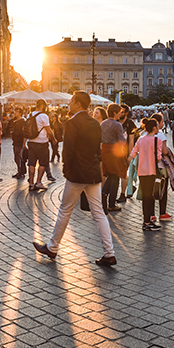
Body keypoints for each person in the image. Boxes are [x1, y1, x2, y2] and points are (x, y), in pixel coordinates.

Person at [33, 91, 116, 266]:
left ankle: (52, 247)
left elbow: (68, 150)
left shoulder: (72, 123)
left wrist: (66, 169)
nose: (69, 103)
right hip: (92, 172)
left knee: (65, 210)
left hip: (77, 173)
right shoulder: (94, 123)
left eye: (71, 101)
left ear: (78, 104)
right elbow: (97, 149)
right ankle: (109, 253)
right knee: (99, 213)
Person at [128, 118, 163, 231]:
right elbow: (158, 158)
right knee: (150, 196)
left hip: (141, 171)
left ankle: (147, 220)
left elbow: (134, 152)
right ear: (154, 128)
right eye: (157, 126)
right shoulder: (157, 140)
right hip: (151, 170)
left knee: (146, 196)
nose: (158, 128)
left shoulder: (141, 139)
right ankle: (148, 222)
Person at [100, 103, 127, 213]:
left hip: (105, 150)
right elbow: (121, 141)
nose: (121, 113)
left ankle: (105, 199)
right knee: (115, 175)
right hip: (114, 151)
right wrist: (125, 138)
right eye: (119, 111)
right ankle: (110, 203)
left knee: (111, 175)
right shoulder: (117, 125)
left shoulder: (103, 123)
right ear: (115, 112)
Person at [26, 99, 53, 191]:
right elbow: (49, 130)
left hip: (31, 142)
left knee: (31, 163)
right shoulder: (43, 116)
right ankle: (38, 182)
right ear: (42, 106)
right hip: (42, 142)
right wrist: (54, 139)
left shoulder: (30, 115)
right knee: (43, 163)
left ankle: (31, 184)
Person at [10, 108, 27, 179]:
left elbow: (23, 133)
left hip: (19, 141)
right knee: (16, 157)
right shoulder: (15, 121)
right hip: (15, 141)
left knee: (19, 157)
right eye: (15, 111)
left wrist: (24, 143)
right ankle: (19, 171)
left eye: (17, 112)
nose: (15, 113)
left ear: (20, 113)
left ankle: (21, 172)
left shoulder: (23, 121)